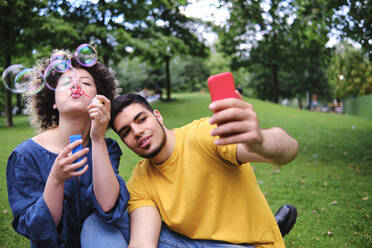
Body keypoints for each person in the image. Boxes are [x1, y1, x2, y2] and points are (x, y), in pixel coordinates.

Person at [110, 93, 299, 247]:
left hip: (248, 245)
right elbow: (143, 242)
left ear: (158, 116)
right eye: (126, 132)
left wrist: (260, 141)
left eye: (141, 119)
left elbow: (289, 151)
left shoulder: (204, 135)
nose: (136, 131)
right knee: (100, 223)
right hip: (193, 244)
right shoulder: (141, 178)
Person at [6, 49, 129, 248]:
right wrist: (56, 178)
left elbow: (108, 205)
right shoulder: (25, 155)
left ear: (99, 98)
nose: (76, 85)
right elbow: (38, 230)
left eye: (86, 82)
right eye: (66, 82)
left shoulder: (107, 147)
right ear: (52, 101)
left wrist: (97, 138)